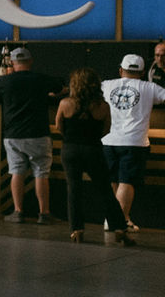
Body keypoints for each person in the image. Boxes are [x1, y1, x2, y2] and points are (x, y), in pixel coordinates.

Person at [52, 68, 133, 246]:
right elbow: (106, 130)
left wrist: (71, 138)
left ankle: (77, 230)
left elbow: (59, 126)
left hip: (70, 150)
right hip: (94, 150)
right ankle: (120, 229)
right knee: (104, 190)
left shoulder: (65, 104)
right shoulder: (102, 106)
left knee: (74, 189)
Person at [0, 46, 62, 224]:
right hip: (39, 133)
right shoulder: (41, 79)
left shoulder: (6, 81)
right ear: (30, 61)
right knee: (41, 173)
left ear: (12, 62)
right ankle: (44, 213)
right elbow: (60, 88)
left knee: (16, 172)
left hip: (13, 134)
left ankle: (18, 212)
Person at [101, 55, 165, 229]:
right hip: (134, 142)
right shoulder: (150, 87)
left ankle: (115, 219)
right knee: (126, 181)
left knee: (112, 180)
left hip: (107, 140)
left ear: (121, 70)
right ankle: (119, 221)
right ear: (143, 72)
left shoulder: (107, 85)